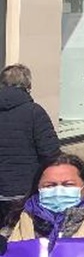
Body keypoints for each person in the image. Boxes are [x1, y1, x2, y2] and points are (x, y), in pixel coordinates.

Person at [0, 153, 84, 249]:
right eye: (50, 185)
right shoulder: (17, 226)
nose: (59, 190)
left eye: (68, 184)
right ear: (38, 188)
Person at [0, 64, 60, 204]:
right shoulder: (34, 112)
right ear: (28, 86)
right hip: (26, 189)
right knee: (25, 225)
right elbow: (50, 152)